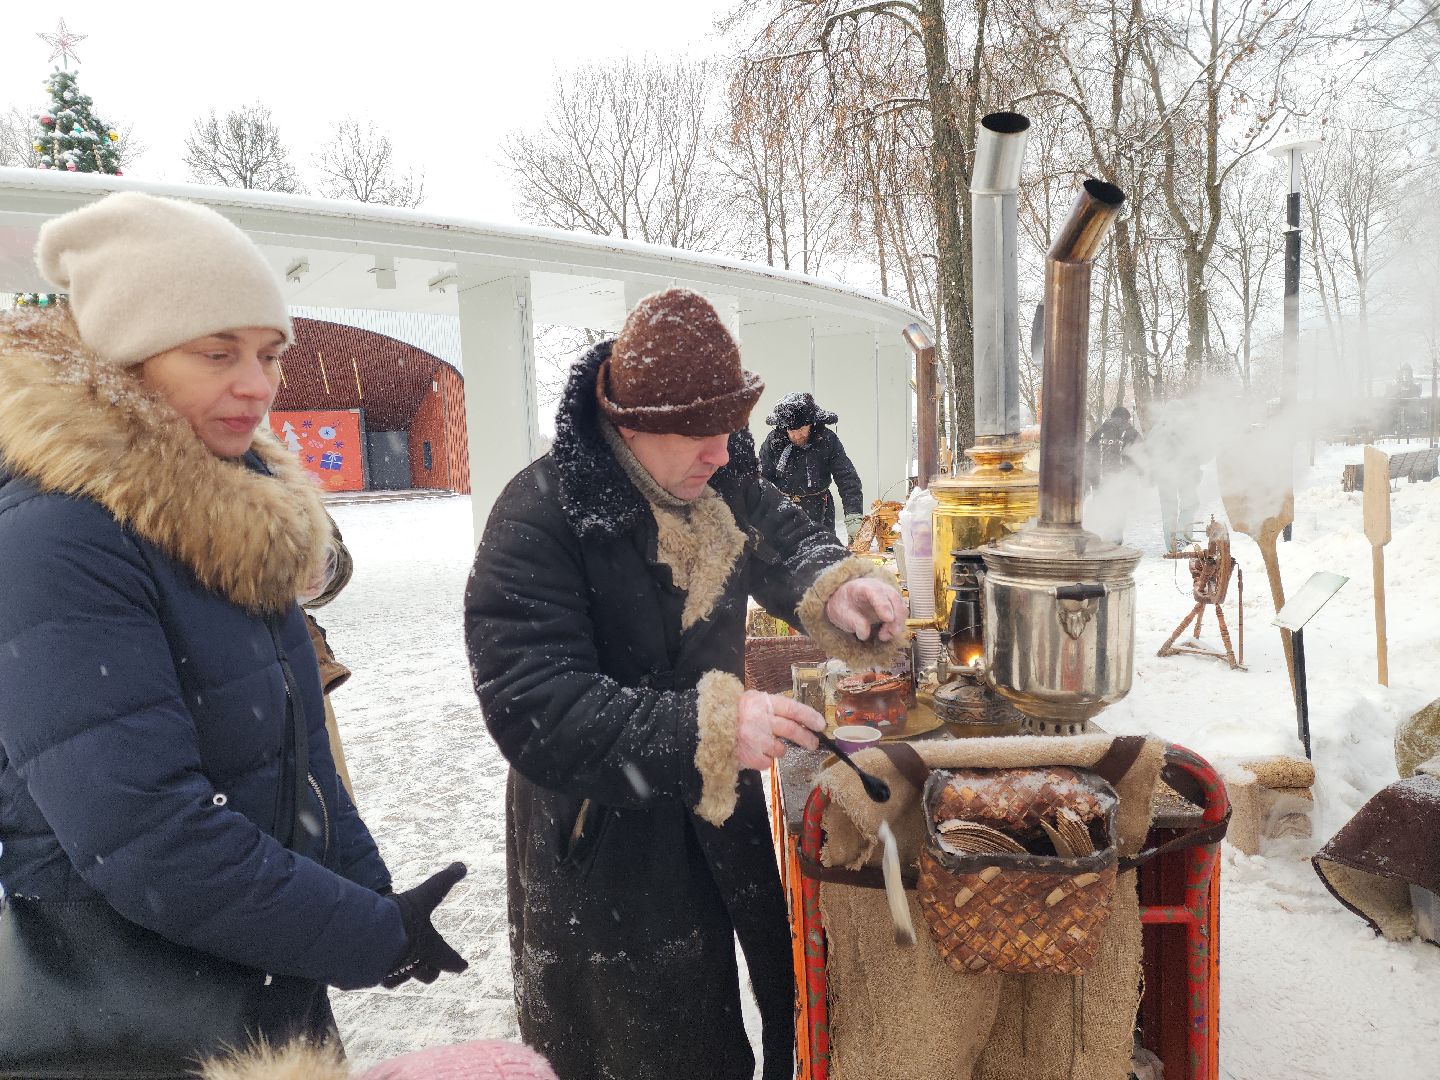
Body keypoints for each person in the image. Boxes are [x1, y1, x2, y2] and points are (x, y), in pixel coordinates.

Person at [0, 192, 467, 1073]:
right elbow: (147, 838)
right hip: (119, 1025)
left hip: (250, 981)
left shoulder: (233, 512)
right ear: (124, 363)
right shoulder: (56, 537)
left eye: (269, 354)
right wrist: (364, 933)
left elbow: (297, 755)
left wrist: (371, 896)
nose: (257, 385)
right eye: (217, 353)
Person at [464, 288, 907, 1080]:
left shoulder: (719, 478)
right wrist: (702, 731)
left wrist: (835, 585)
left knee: (722, 1041)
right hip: (599, 834)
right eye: (700, 435)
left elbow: (782, 539)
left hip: (711, 809)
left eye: (730, 430)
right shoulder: (538, 516)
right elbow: (532, 707)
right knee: (636, 1047)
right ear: (629, 424)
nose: (723, 451)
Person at [758, 391, 866, 541]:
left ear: (811, 424)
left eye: (801, 429)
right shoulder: (774, 442)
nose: (796, 436)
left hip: (819, 509)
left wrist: (853, 516)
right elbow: (762, 482)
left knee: (823, 556)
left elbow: (847, 478)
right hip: (784, 512)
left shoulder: (827, 440)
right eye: (791, 431)